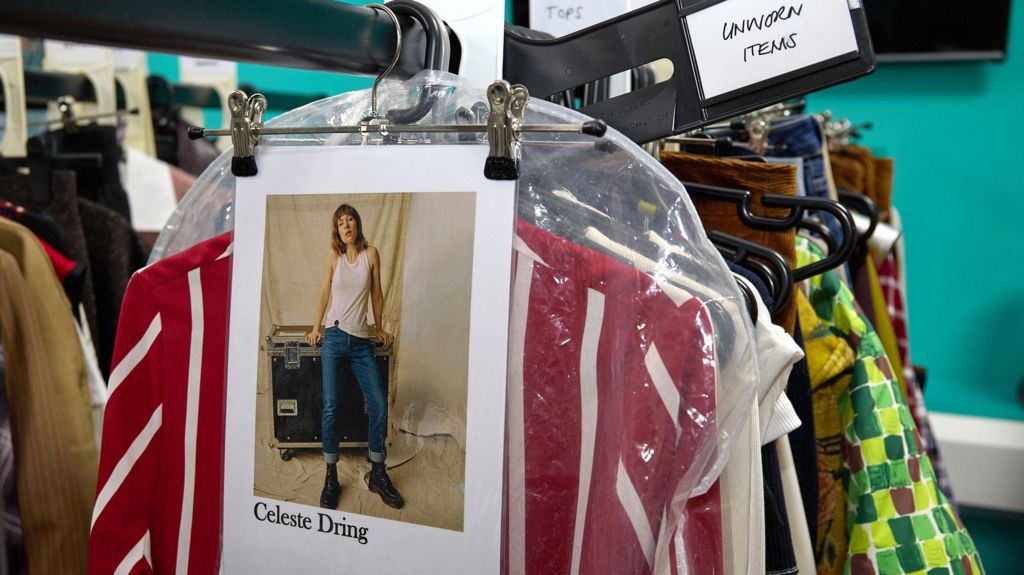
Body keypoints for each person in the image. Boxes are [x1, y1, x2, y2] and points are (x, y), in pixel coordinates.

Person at [306, 203, 403, 510]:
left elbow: (376, 293)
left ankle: (378, 473)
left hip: (361, 342)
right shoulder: (333, 256)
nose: (346, 226)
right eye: (341, 223)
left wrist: (379, 328)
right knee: (331, 407)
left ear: (357, 224)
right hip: (334, 337)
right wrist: (316, 328)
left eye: (350, 220)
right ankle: (331, 476)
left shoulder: (370, 254)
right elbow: (324, 292)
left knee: (378, 404)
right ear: (337, 230)